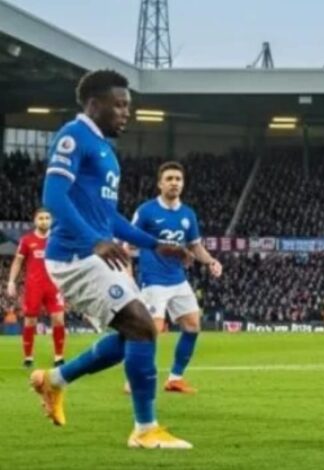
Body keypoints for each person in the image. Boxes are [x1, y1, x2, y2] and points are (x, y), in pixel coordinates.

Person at [29, 69, 193, 449]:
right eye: (119, 105)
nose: (126, 112)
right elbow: (54, 197)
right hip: (74, 256)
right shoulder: (74, 136)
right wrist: (94, 241)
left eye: (128, 106)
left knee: (134, 332)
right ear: (94, 104)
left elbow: (110, 218)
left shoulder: (106, 150)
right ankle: (145, 429)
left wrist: (155, 243)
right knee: (141, 325)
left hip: (93, 255)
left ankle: (54, 381)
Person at [127, 161, 222, 394]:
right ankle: (135, 378)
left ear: (183, 184)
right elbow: (128, 243)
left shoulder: (188, 214)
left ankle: (175, 378)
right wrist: (127, 275)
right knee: (152, 331)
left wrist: (211, 261)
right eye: (169, 179)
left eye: (178, 179)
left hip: (178, 280)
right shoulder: (146, 211)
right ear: (160, 183)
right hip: (153, 280)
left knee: (192, 325)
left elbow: (195, 246)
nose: (174, 183)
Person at [6, 208, 66, 367]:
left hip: (54, 285)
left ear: (51, 221)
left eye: (47, 218)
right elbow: (18, 262)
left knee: (58, 319)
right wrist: (11, 281)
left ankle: (59, 357)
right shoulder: (27, 240)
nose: (44, 221)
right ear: (35, 221)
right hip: (34, 286)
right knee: (30, 321)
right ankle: (28, 357)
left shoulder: (57, 239)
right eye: (41, 218)